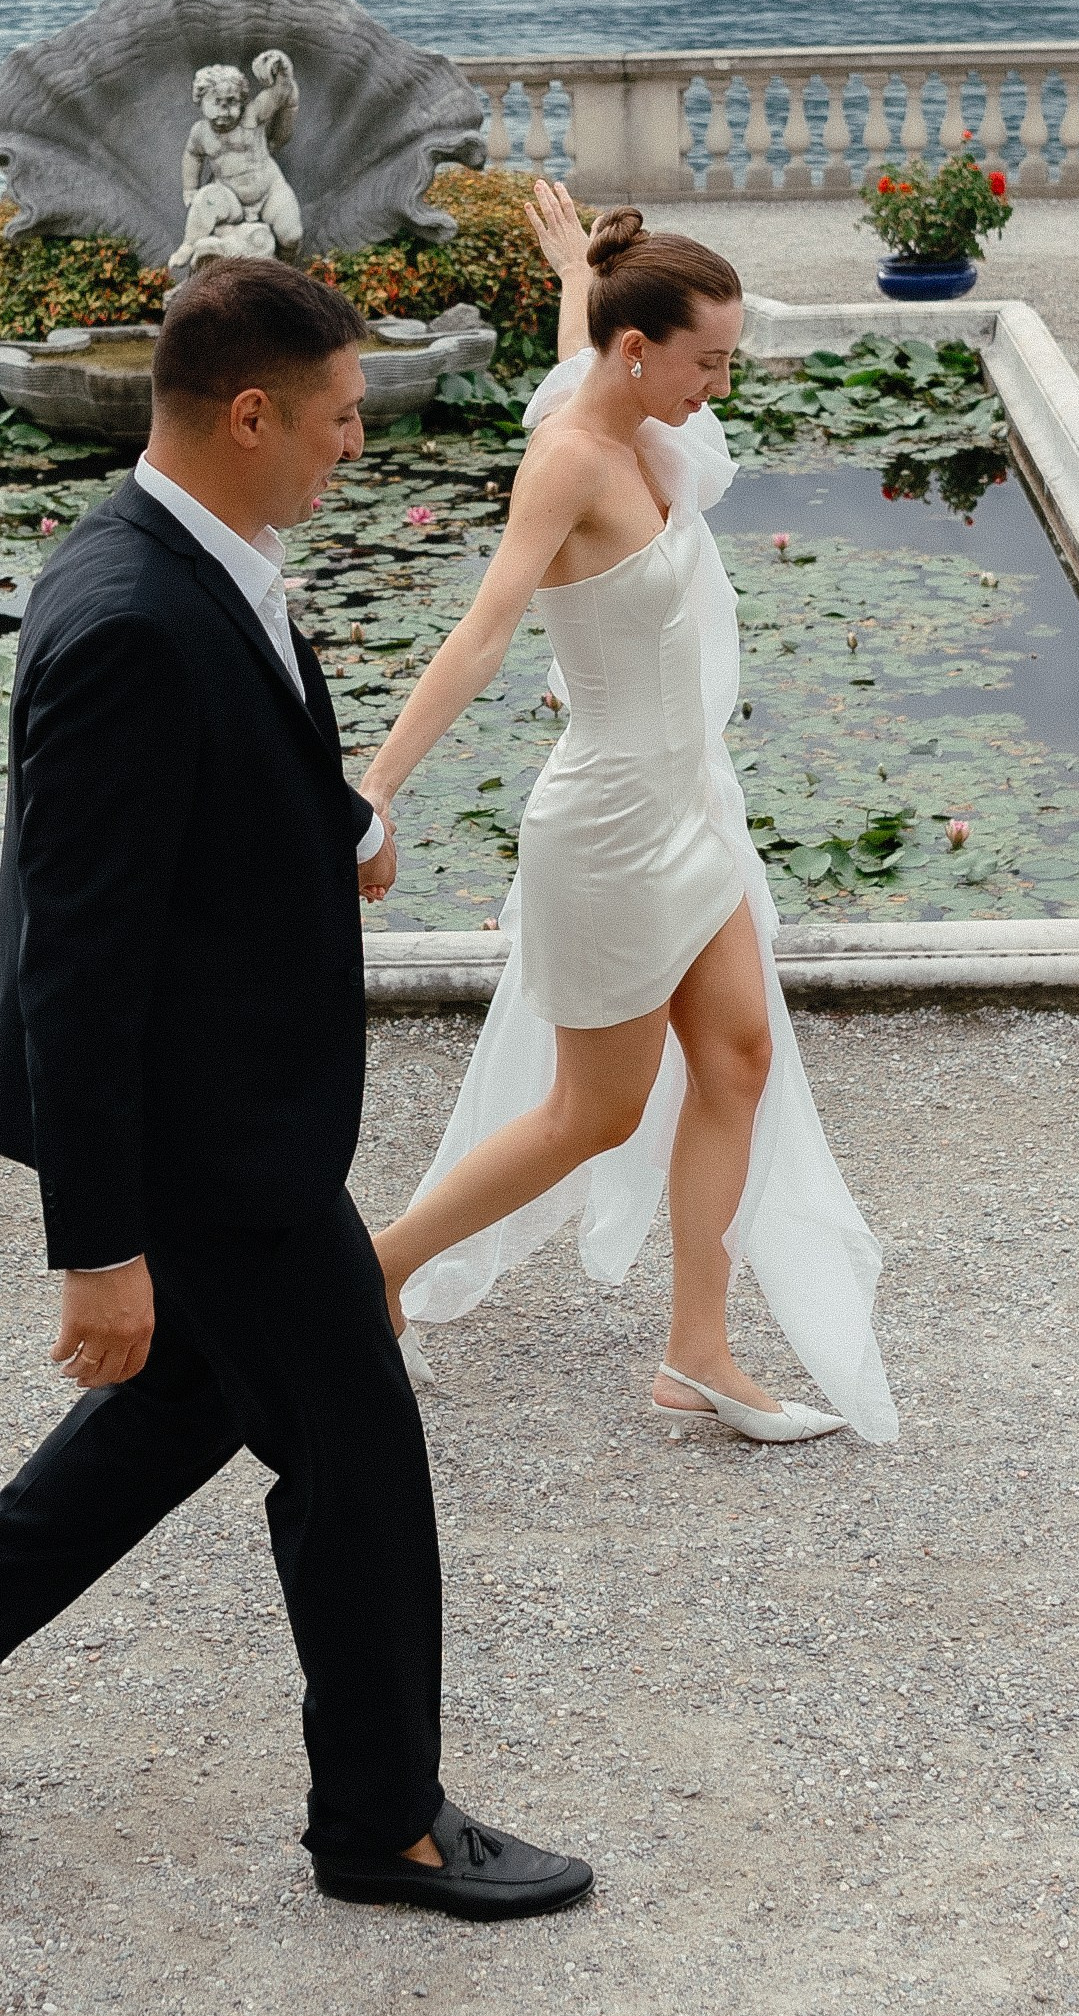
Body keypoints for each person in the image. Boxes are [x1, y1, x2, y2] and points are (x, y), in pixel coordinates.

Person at [0, 255, 591, 1921]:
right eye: (337, 417)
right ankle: (382, 1823)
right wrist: (94, 1244)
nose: (353, 447)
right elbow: (83, 961)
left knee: (185, 1406)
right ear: (250, 414)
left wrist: (340, 823)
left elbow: (228, 787)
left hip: (221, 1114)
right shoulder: (133, 619)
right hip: (201, 1140)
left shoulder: (183, 550)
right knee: (358, 1448)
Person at [363, 188, 898, 1447]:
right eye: (707, 359)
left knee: (740, 1060)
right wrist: (374, 789)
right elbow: (486, 630)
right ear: (641, 349)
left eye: (730, 358)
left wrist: (574, 273)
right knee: (590, 1112)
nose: (720, 382)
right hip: (604, 829)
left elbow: (576, 368)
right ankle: (370, 1275)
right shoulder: (565, 460)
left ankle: (696, 1354)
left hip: (691, 817)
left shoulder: (627, 424)